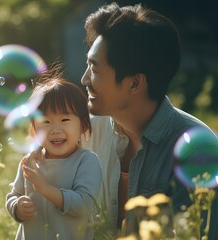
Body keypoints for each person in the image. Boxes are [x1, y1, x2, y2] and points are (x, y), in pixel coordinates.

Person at [27, 2, 217, 239]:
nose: (85, 79)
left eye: (95, 69)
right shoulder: (88, 131)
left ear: (135, 83)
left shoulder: (198, 152)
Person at [5, 67, 103, 240]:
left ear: (84, 125)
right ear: (34, 129)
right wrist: (17, 206)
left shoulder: (86, 161)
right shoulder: (30, 162)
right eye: (45, 121)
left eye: (65, 120)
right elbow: (14, 195)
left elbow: (84, 205)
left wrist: (46, 189)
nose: (55, 130)